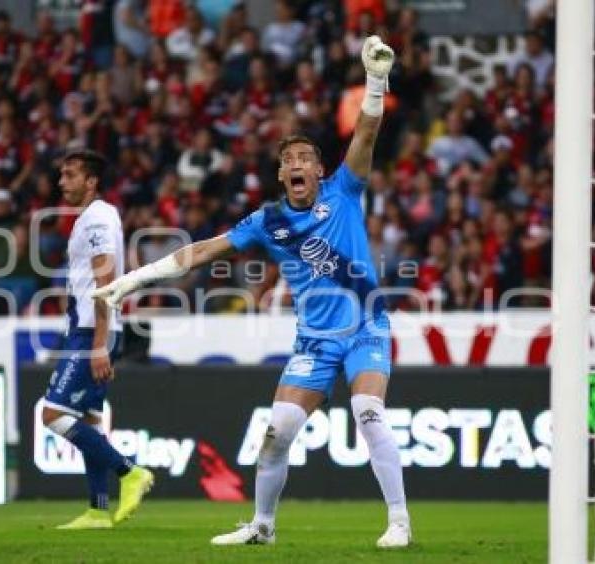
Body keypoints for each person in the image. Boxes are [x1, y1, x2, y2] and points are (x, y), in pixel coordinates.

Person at [93, 36, 411, 548]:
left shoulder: (344, 191)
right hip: (315, 341)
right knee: (276, 433)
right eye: (291, 160)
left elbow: (367, 134)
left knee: (367, 412)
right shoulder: (267, 221)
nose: (300, 165)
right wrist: (131, 281)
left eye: (308, 158)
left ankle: (398, 522)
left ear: (320, 171)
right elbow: (199, 252)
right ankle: (262, 527)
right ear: (282, 174)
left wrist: (376, 82)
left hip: (366, 325)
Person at [41, 149, 154, 529]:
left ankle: (129, 473)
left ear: (91, 181)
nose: (62, 182)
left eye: (70, 175)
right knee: (88, 419)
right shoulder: (96, 217)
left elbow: (107, 284)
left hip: (92, 331)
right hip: (93, 328)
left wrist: (99, 344)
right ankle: (96, 510)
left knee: (52, 414)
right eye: (62, 174)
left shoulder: (96, 220)